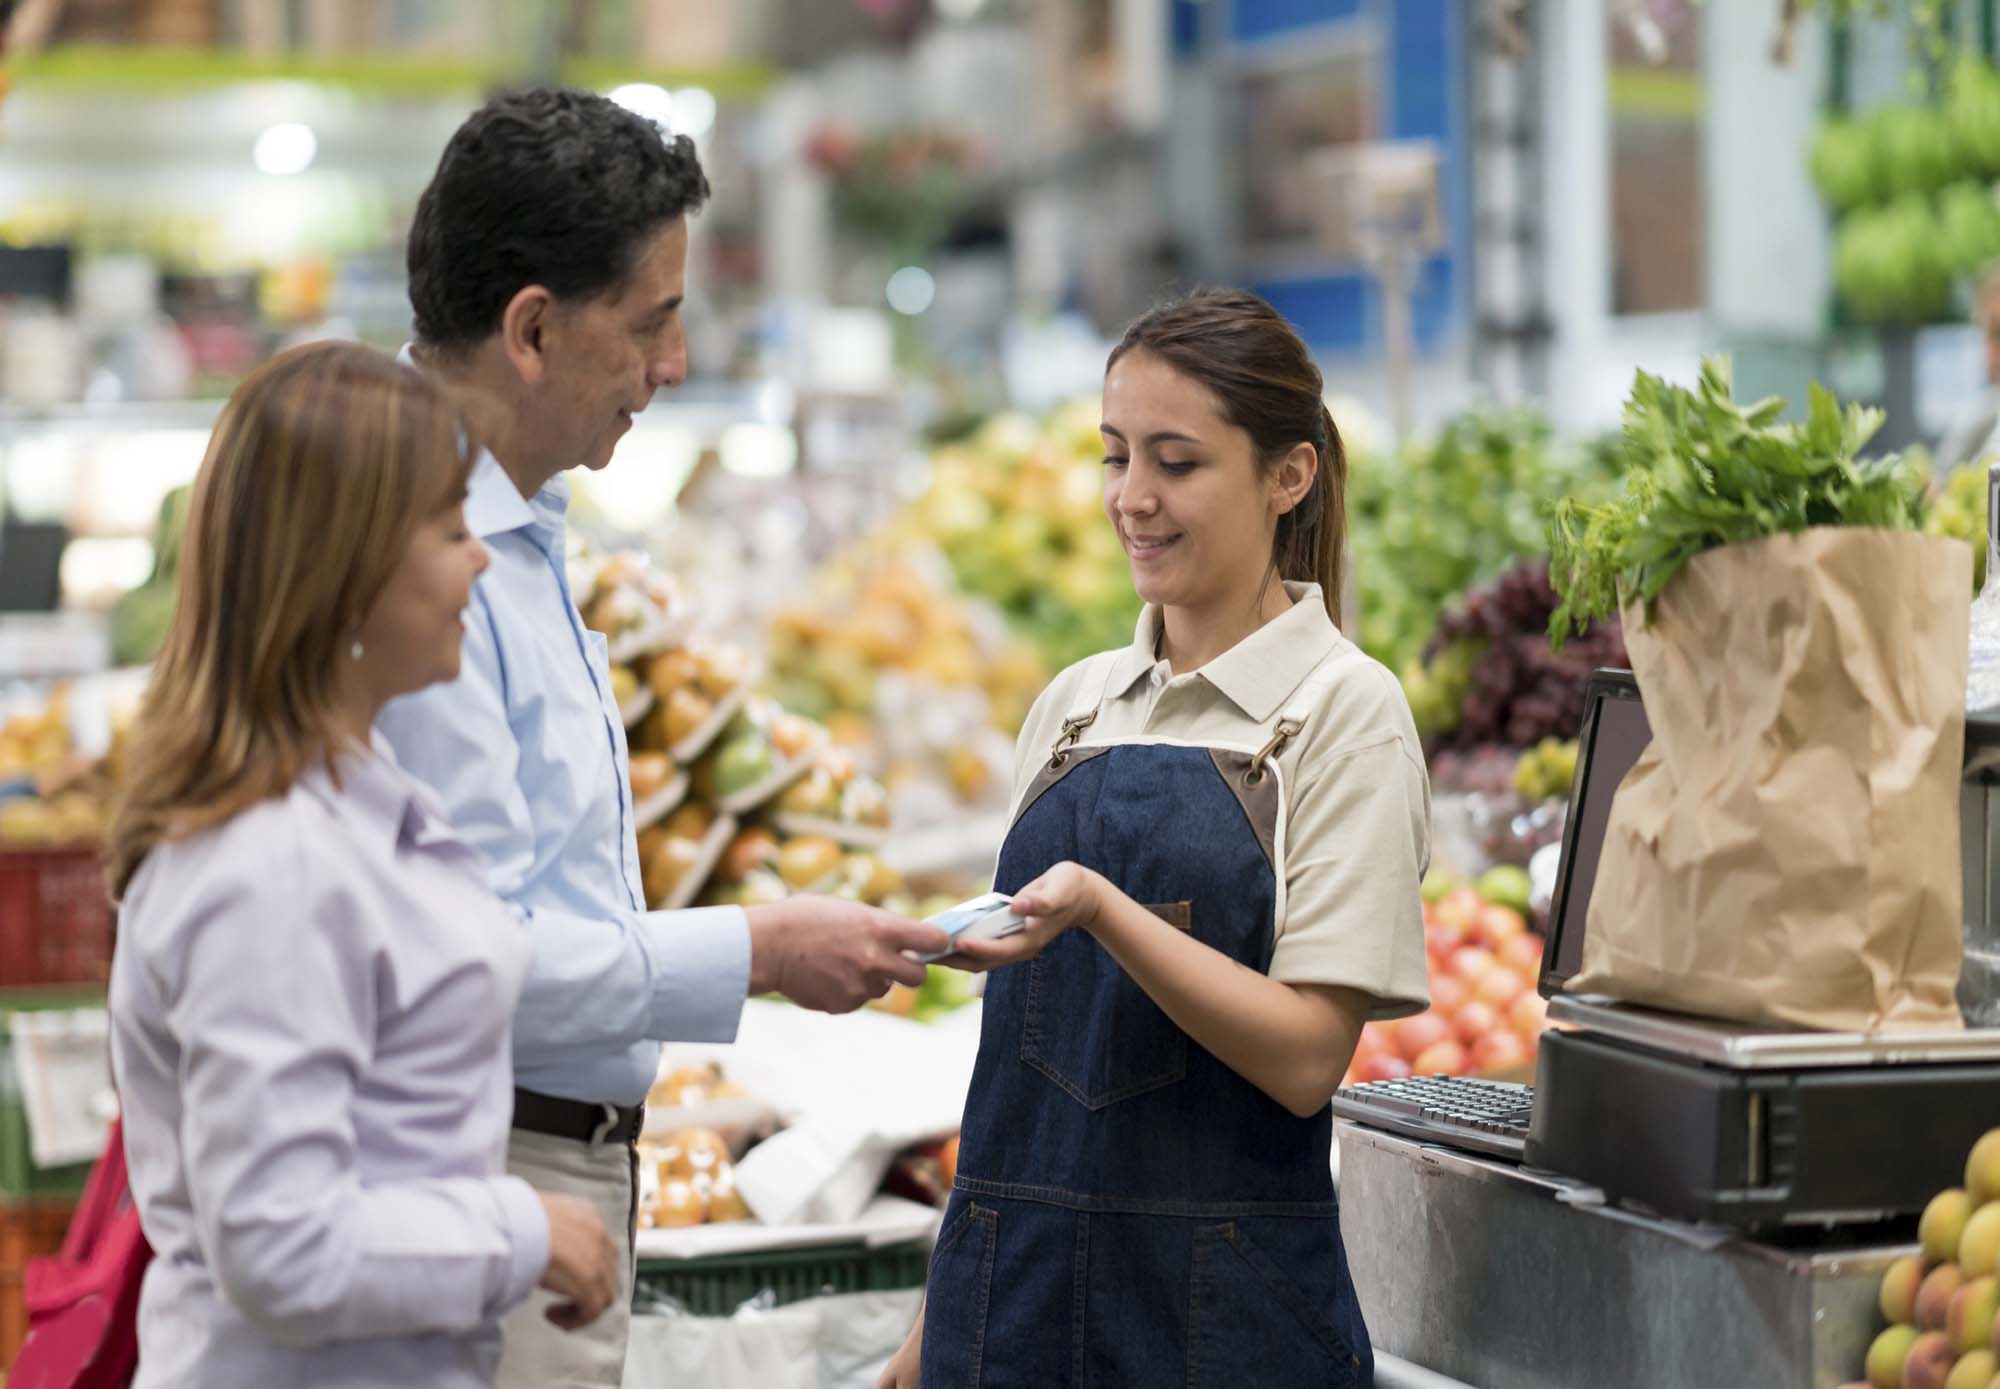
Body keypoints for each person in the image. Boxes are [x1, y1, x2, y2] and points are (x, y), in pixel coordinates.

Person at [377, 87, 950, 1385]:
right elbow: (479, 956)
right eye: (652, 323)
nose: (674, 365)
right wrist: (758, 948)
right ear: (532, 328)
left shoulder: (520, 523)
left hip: (538, 1166)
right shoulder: (417, 563)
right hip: (484, 1170)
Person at [879, 289, 1432, 1388]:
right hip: (1010, 1315)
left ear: (1289, 476)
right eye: (1113, 455)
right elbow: (1014, 1085)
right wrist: (933, 1322)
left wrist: (1099, 908)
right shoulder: (1074, 708)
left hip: (1221, 1327)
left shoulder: (1339, 712)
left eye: (1174, 463)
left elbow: (1305, 1057)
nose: (1131, 498)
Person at [106, 341, 621, 1388]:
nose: (479, 558)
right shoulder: (268, 867)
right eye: (445, 529)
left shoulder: (357, 793)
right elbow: (282, 1248)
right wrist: (520, 1229)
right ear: (343, 574)